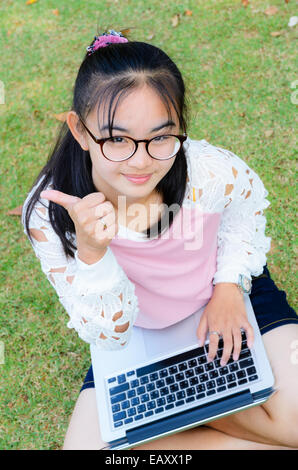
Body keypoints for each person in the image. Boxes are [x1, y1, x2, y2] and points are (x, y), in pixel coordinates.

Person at [21, 29, 298, 450]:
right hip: (135, 335)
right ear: (80, 131)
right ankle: (206, 407)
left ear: (180, 127)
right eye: (116, 139)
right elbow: (109, 333)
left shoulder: (207, 171)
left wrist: (228, 286)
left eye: (161, 137)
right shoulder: (51, 211)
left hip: (223, 301)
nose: (141, 161)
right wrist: (93, 255)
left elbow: (244, 211)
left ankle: (184, 411)